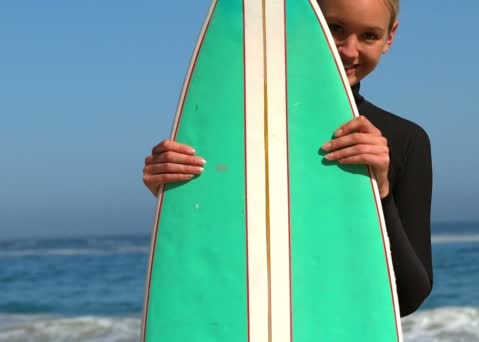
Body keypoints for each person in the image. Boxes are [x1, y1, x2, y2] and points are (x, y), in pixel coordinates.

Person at [142, 0, 433, 317]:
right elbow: (207, 256)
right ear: (301, 21)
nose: (350, 51)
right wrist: (173, 194)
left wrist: (382, 190)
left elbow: (408, 297)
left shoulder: (404, 140)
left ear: (389, 38)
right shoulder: (234, 125)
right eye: (335, 28)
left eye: (369, 36)